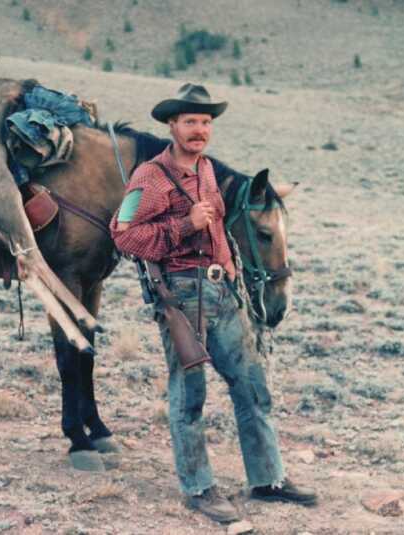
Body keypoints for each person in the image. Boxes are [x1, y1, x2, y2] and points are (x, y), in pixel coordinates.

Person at [110, 83, 317, 523]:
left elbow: (221, 228)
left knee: (252, 387)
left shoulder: (206, 170)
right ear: (173, 126)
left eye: (205, 122)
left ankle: (267, 479)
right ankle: (200, 488)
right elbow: (121, 231)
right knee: (189, 398)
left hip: (223, 292)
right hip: (182, 297)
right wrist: (183, 225)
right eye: (191, 122)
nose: (199, 129)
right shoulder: (147, 176)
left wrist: (233, 273)